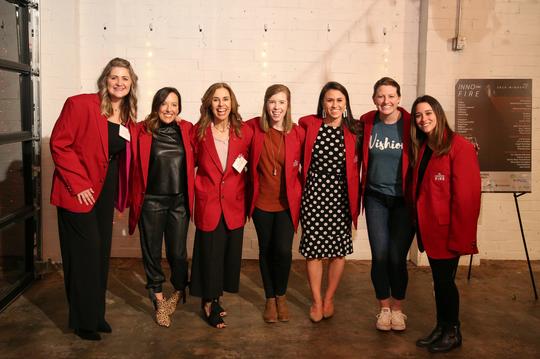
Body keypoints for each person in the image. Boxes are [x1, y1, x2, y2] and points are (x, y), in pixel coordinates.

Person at [50, 57, 138, 341]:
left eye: (125, 78)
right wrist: (78, 184)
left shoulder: (126, 116)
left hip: (104, 192)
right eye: (114, 77)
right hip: (78, 191)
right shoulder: (79, 104)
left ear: (131, 83)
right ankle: (83, 322)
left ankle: (96, 315)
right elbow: (59, 144)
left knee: (99, 255)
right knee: (84, 256)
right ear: (105, 79)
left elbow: (117, 159)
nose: (119, 82)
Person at [410, 95, 481, 353]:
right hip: (430, 228)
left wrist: (460, 237)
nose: (423, 119)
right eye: (418, 115)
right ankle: (442, 327)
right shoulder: (426, 145)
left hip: (447, 231)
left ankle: (453, 331)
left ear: (438, 114)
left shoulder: (460, 146)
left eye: (428, 113)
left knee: (445, 282)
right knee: (439, 282)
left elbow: (468, 197)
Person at [128, 87, 194, 327]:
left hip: (179, 201)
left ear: (179, 108)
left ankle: (178, 290)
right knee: (152, 252)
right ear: (156, 106)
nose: (169, 109)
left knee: (177, 252)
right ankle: (158, 299)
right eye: (164, 104)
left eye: (174, 104)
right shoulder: (142, 130)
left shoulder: (186, 130)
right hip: (152, 201)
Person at [189, 82, 253, 328]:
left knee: (226, 256)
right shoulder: (198, 132)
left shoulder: (244, 132)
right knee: (209, 256)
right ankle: (208, 302)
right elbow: (189, 164)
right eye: (216, 99)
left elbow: (248, 163)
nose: (221, 104)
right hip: (209, 203)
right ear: (208, 103)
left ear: (232, 103)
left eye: (225, 99)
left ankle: (217, 297)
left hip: (234, 204)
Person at [299, 81, 361, 323]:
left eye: (339, 100)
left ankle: (329, 298)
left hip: (342, 198)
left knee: (337, 252)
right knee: (313, 252)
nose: (334, 104)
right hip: (314, 196)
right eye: (329, 100)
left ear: (345, 103)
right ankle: (316, 299)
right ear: (322, 103)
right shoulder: (309, 124)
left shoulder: (356, 129)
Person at [359, 77, 415, 331]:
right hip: (375, 198)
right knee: (380, 255)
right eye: (381, 96)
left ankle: (398, 309)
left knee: (396, 257)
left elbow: (438, 136)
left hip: (403, 200)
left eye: (391, 96)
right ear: (374, 99)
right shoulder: (367, 121)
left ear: (399, 98)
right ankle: (383, 308)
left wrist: (468, 146)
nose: (386, 101)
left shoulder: (411, 123)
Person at [247, 84, 305, 323]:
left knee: (283, 251)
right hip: (261, 203)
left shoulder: (298, 133)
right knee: (265, 250)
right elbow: (224, 121)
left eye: (282, 102)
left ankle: (282, 295)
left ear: (288, 105)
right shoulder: (253, 128)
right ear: (265, 104)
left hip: (286, 204)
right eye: (272, 101)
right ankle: (270, 298)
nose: (277, 107)